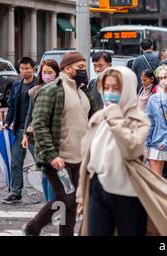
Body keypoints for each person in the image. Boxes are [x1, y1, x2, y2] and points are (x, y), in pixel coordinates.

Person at [76, 66, 167, 236]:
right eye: (106, 88)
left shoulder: (137, 118)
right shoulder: (99, 117)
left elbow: (132, 149)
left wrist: (115, 118)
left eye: (116, 88)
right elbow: (88, 159)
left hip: (127, 191)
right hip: (97, 190)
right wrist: (81, 194)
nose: (110, 93)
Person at [22, 52, 99, 236]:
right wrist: (51, 155)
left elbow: (95, 120)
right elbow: (39, 123)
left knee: (69, 202)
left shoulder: (83, 91)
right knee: (65, 197)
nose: (84, 71)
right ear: (66, 68)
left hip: (79, 158)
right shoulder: (52, 90)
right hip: (57, 157)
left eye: (84, 67)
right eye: (79, 67)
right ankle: (33, 227)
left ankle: (65, 234)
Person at [21, 59, 60, 202]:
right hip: (38, 137)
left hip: (57, 137)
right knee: (45, 173)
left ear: (57, 74)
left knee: (53, 173)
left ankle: (53, 204)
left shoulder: (61, 91)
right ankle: (49, 203)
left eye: (50, 72)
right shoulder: (35, 91)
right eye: (44, 72)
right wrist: (25, 134)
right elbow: (29, 114)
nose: (47, 75)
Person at [1, 57, 38, 204]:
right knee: (16, 162)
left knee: (42, 163)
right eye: (22, 68)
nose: (24, 71)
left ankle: (53, 193)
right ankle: (16, 193)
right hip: (19, 129)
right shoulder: (17, 84)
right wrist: (7, 122)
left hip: (34, 131)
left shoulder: (39, 85)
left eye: (27, 68)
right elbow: (11, 106)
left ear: (33, 69)